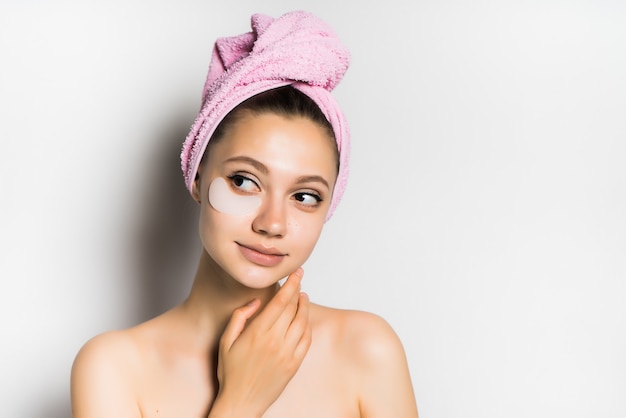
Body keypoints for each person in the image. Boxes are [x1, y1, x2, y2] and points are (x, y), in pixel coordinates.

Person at [71, 10, 419, 418]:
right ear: (198, 177)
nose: (271, 224)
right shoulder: (114, 369)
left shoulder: (367, 350)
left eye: (305, 197)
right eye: (244, 181)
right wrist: (240, 402)